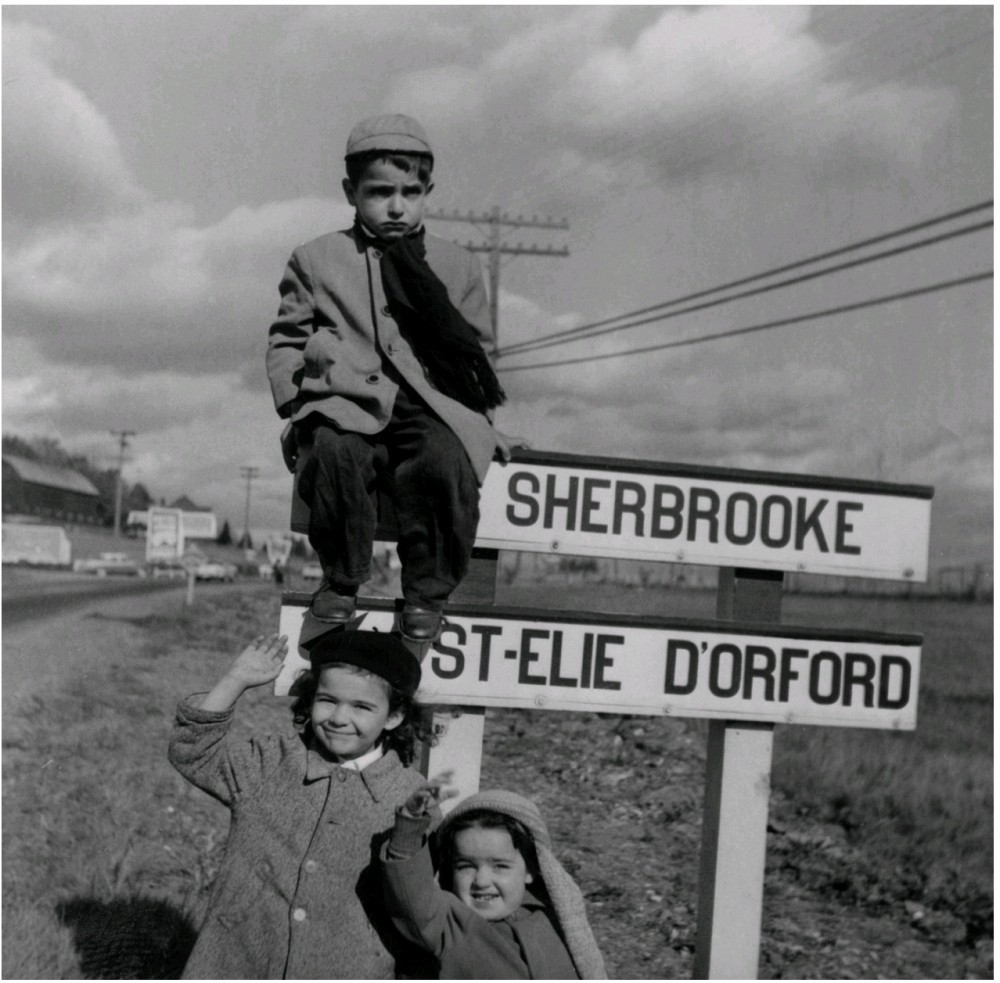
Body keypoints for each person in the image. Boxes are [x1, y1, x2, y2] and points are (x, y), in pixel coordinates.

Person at [266, 113, 508, 643]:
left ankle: (426, 595)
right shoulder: (317, 259)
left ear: (428, 192)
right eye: (379, 192)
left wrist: (479, 422)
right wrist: (296, 407)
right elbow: (286, 338)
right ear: (352, 192)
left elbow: (476, 355)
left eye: (411, 192)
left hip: (431, 404)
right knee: (335, 454)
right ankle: (342, 580)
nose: (397, 206)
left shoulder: (459, 266)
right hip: (344, 400)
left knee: (446, 463)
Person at [168, 630, 438, 979]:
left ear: (394, 717)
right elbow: (191, 752)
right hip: (237, 961)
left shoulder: (410, 798)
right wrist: (236, 680)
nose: (339, 718)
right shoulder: (269, 762)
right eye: (328, 700)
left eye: (362, 707)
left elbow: (418, 906)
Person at [381, 779, 608, 979]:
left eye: (499, 866)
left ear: (532, 869)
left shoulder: (553, 921)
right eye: (466, 866)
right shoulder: (448, 923)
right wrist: (408, 828)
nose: (481, 881)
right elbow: (410, 896)